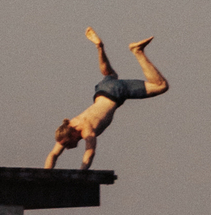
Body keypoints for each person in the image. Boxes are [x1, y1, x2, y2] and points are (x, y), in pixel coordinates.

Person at [45, 29, 170, 169]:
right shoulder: (68, 127)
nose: (66, 148)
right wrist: (46, 175)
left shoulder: (86, 130)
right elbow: (53, 155)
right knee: (109, 74)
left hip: (116, 93)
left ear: (73, 133)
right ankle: (99, 47)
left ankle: (137, 51)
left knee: (161, 86)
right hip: (102, 89)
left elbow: (89, 152)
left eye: (67, 144)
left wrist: (81, 174)